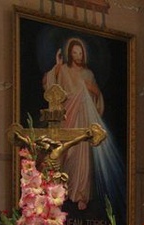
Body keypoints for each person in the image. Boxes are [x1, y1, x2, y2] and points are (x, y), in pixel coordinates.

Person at [43, 37, 125, 214]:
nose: (78, 55)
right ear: (69, 54)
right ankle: (61, 192)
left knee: (82, 157)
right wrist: (57, 67)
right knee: (66, 154)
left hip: (84, 120)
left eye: (80, 52)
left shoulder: (89, 74)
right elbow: (50, 86)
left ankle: (80, 195)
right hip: (67, 118)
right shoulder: (63, 70)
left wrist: (92, 90)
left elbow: (97, 98)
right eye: (75, 52)